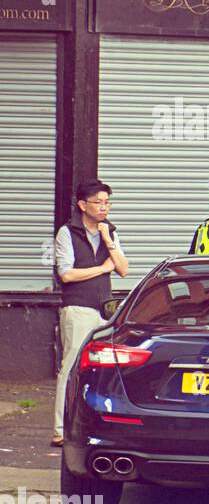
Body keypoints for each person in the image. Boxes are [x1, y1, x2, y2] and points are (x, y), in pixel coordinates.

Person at [52, 180, 129, 447]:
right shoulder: (67, 233)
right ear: (83, 205)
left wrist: (107, 238)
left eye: (107, 202)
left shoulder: (110, 231)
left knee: (104, 368)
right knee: (71, 366)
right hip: (78, 308)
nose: (104, 207)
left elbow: (123, 269)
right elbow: (67, 274)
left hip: (105, 309)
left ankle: (98, 426)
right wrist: (101, 268)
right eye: (98, 202)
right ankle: (61, 429)